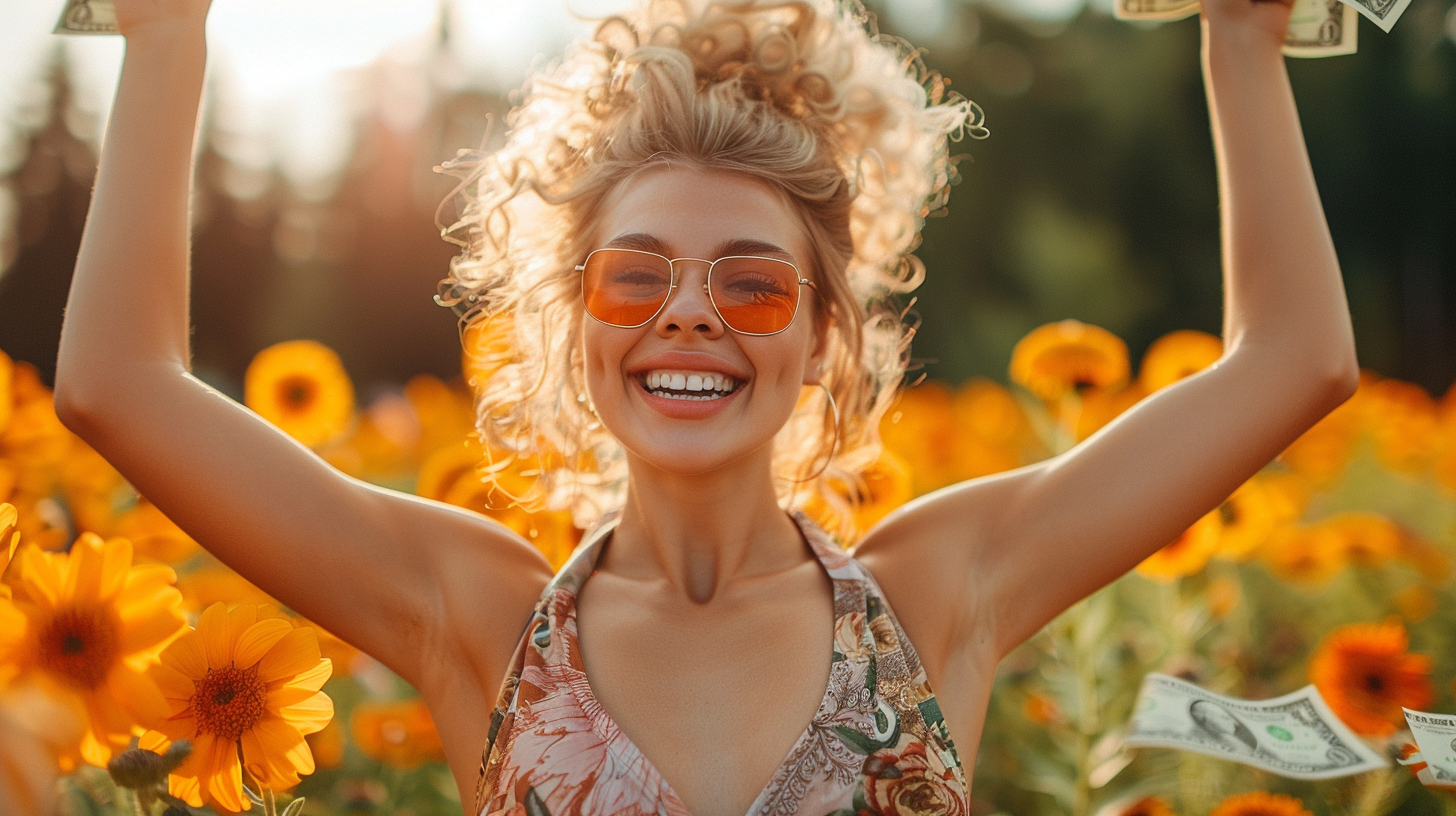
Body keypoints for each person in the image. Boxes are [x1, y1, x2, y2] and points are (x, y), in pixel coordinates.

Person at [52, 0, 1358, 813]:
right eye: (636, 277)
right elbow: (117, 386)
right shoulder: (480, 618)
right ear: (575, 326)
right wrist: (171, 32)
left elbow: (1295, 358)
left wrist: (1241, 36)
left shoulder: (936, 590)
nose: (691, 313)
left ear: (821, 335)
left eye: (749, 280)